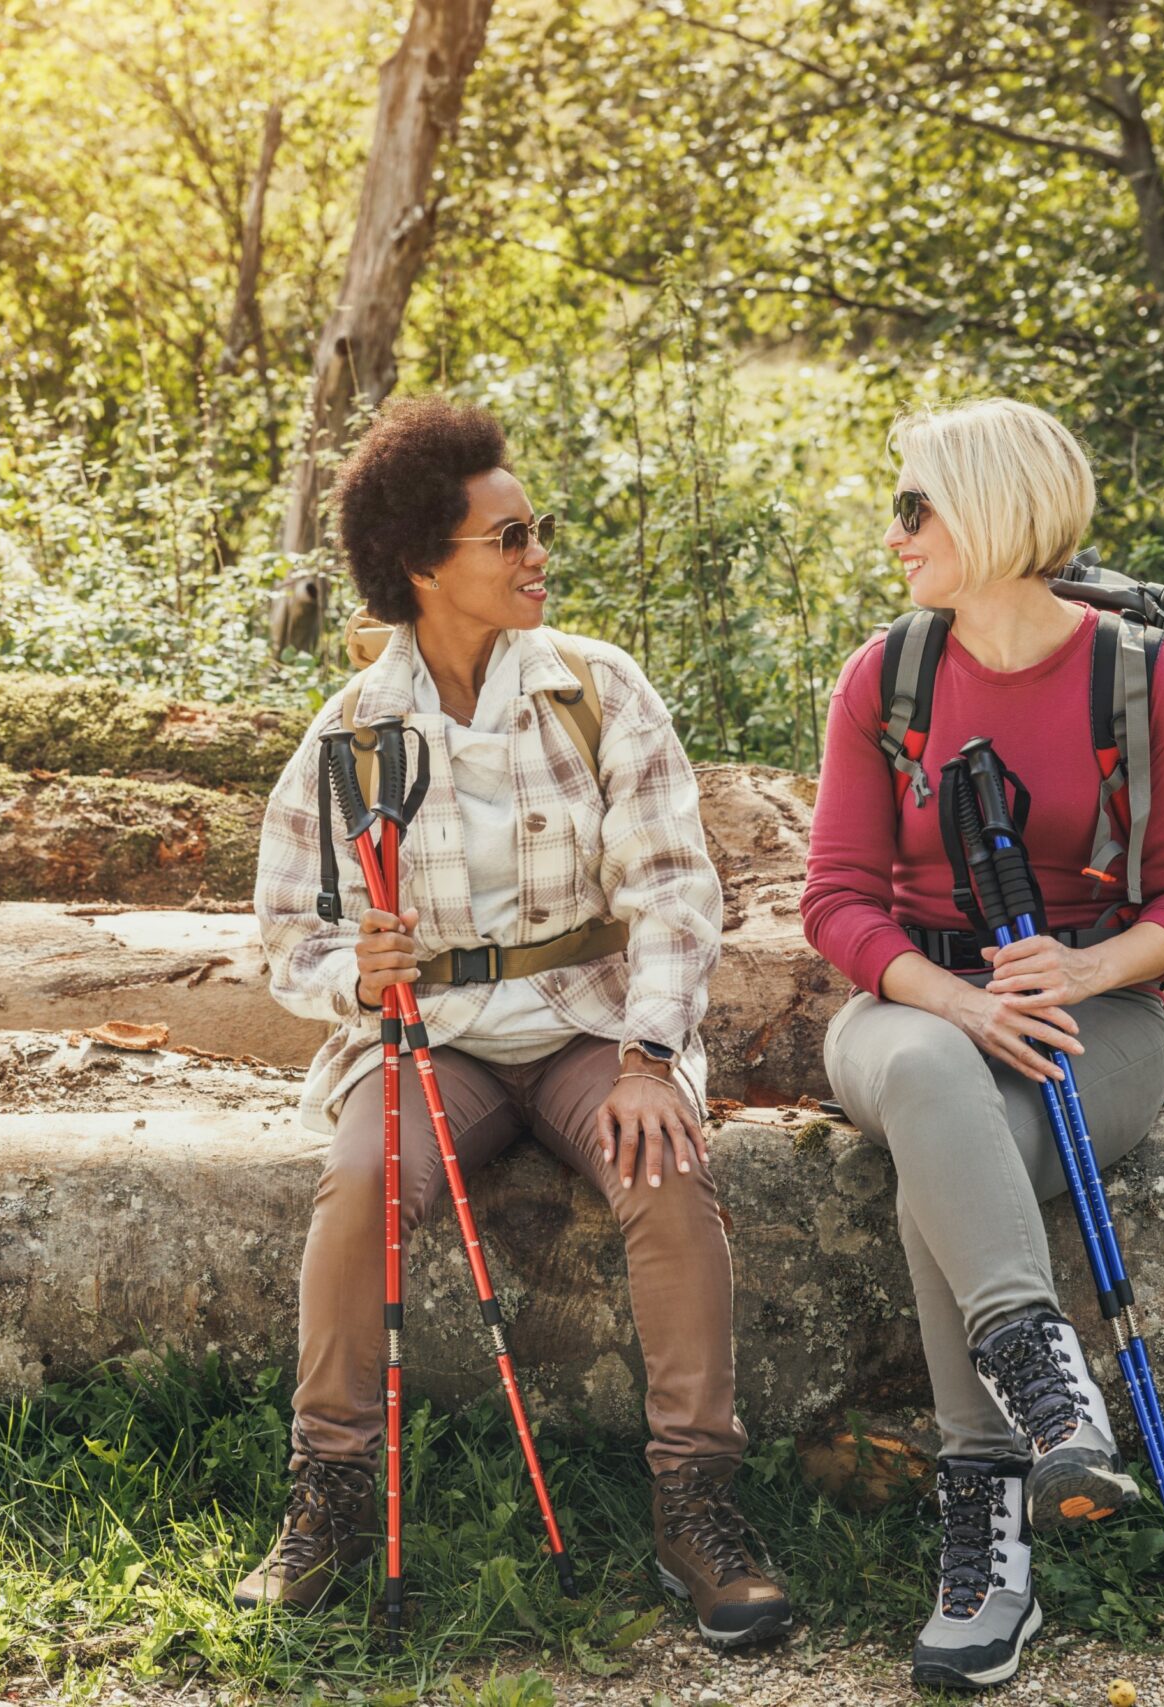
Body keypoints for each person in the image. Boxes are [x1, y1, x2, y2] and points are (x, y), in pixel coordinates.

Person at [243, 397, 791, 1648]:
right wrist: (356, 974)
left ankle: (697, 1502)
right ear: (423, 565)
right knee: (362, 1179)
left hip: (592, 1023)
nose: (538, 554)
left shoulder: (597, 688)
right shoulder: (349, 734)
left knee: (666, 1171)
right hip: (430, 1038)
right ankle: (329, 1491)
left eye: (536, 530)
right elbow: (287, 932)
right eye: (510, 538)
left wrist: (650, 1057)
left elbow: (673, 891)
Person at [801, 399, 1164, 1691]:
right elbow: (835, 900)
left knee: (948, 1163)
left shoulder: (1134, 677)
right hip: (908, 1009)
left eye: (914, 507)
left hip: (1096, 1021)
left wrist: (1090, 966)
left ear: (991, 512)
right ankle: (1047, 1389)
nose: (895, 535)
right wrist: (956, 998)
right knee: (936, 1076)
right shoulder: (887, 676)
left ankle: (986, 1529)